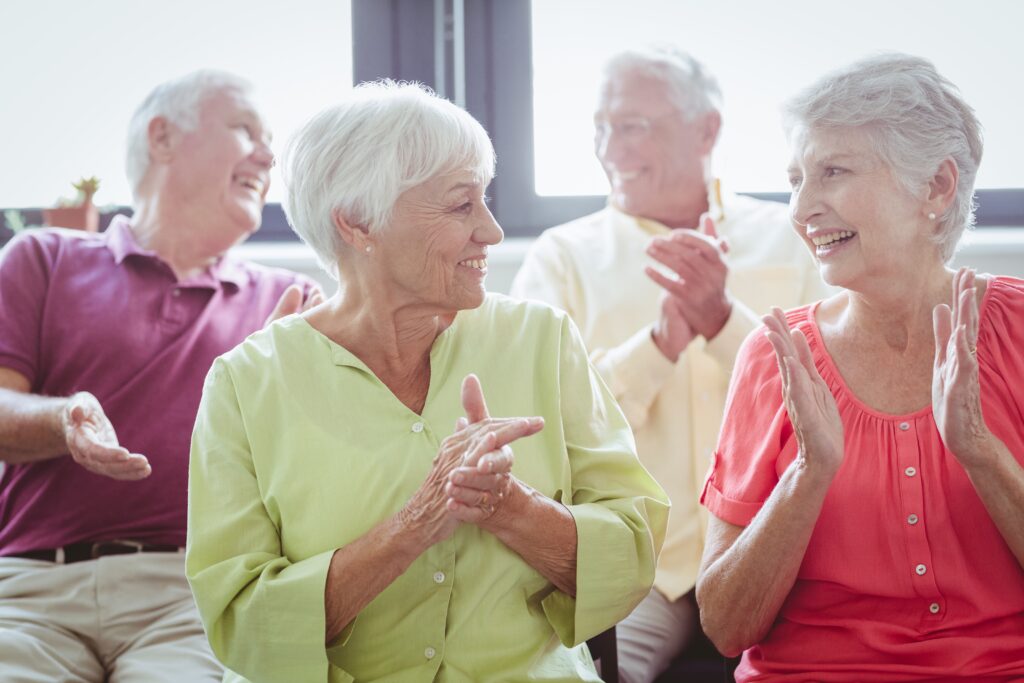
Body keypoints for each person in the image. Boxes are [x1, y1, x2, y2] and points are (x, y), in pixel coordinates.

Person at [185, 80, 670, 683]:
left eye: (485, 201)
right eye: (460, 205)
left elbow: (632, 553)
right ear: (359, 223)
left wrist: (511, 508)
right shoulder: (244, 383)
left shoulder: (541, 339)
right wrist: (415, 524)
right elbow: (242, 624)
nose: (491, 231)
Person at [697, 53, 1024, 681]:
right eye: (796, 179)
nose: (801, 209)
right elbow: (726, 627)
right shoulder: (775, 357)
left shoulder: (1016, 331)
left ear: (936, 187)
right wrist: (808, 473)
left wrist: (980, 451)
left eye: (833, 172)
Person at [510, 46, 828, 681]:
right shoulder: (561, 257)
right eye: (601, 128)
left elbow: (836, 394)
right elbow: (535, 420)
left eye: (632, 125)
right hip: (634, 568)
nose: (610, 147)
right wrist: (657, 347)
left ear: (707, 129)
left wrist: (721, 321)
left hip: (781, 554)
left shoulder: (795, 238)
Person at [0, 70, 321, 681]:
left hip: (191, 594)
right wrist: (65, 419)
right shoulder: (42, 258)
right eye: (245, 129)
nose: (269, 154)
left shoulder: (293, 302)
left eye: (269, 139)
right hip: (28, 591)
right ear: (163, 138)